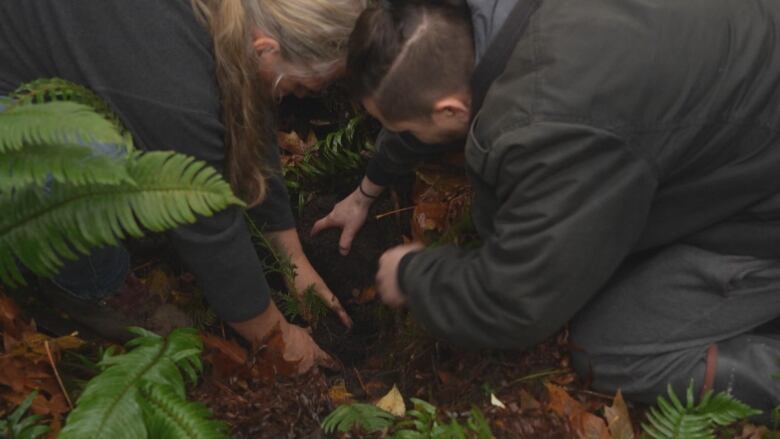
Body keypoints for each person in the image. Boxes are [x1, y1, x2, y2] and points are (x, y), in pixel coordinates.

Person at [314, 0, 780, 410]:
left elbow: (515, 301)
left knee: (610, 350)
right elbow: (419, 89)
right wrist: (365, 193)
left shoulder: (552, 123)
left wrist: (413, 274)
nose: (406, 137)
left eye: (407, 129)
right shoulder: (484, 23)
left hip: (757, 206)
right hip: (748, 89)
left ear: (451, 111)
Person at [0, 0, 365, 373]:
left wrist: (293, 262)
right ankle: (90, 286)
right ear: (264, 49)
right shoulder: (172, 84)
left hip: (46, 49)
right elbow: (205, 220)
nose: (296, 97)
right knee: (95, 161)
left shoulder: (235, 16)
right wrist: (276, 335)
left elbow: (250, 113)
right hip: (14, 107)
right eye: (301, 88)